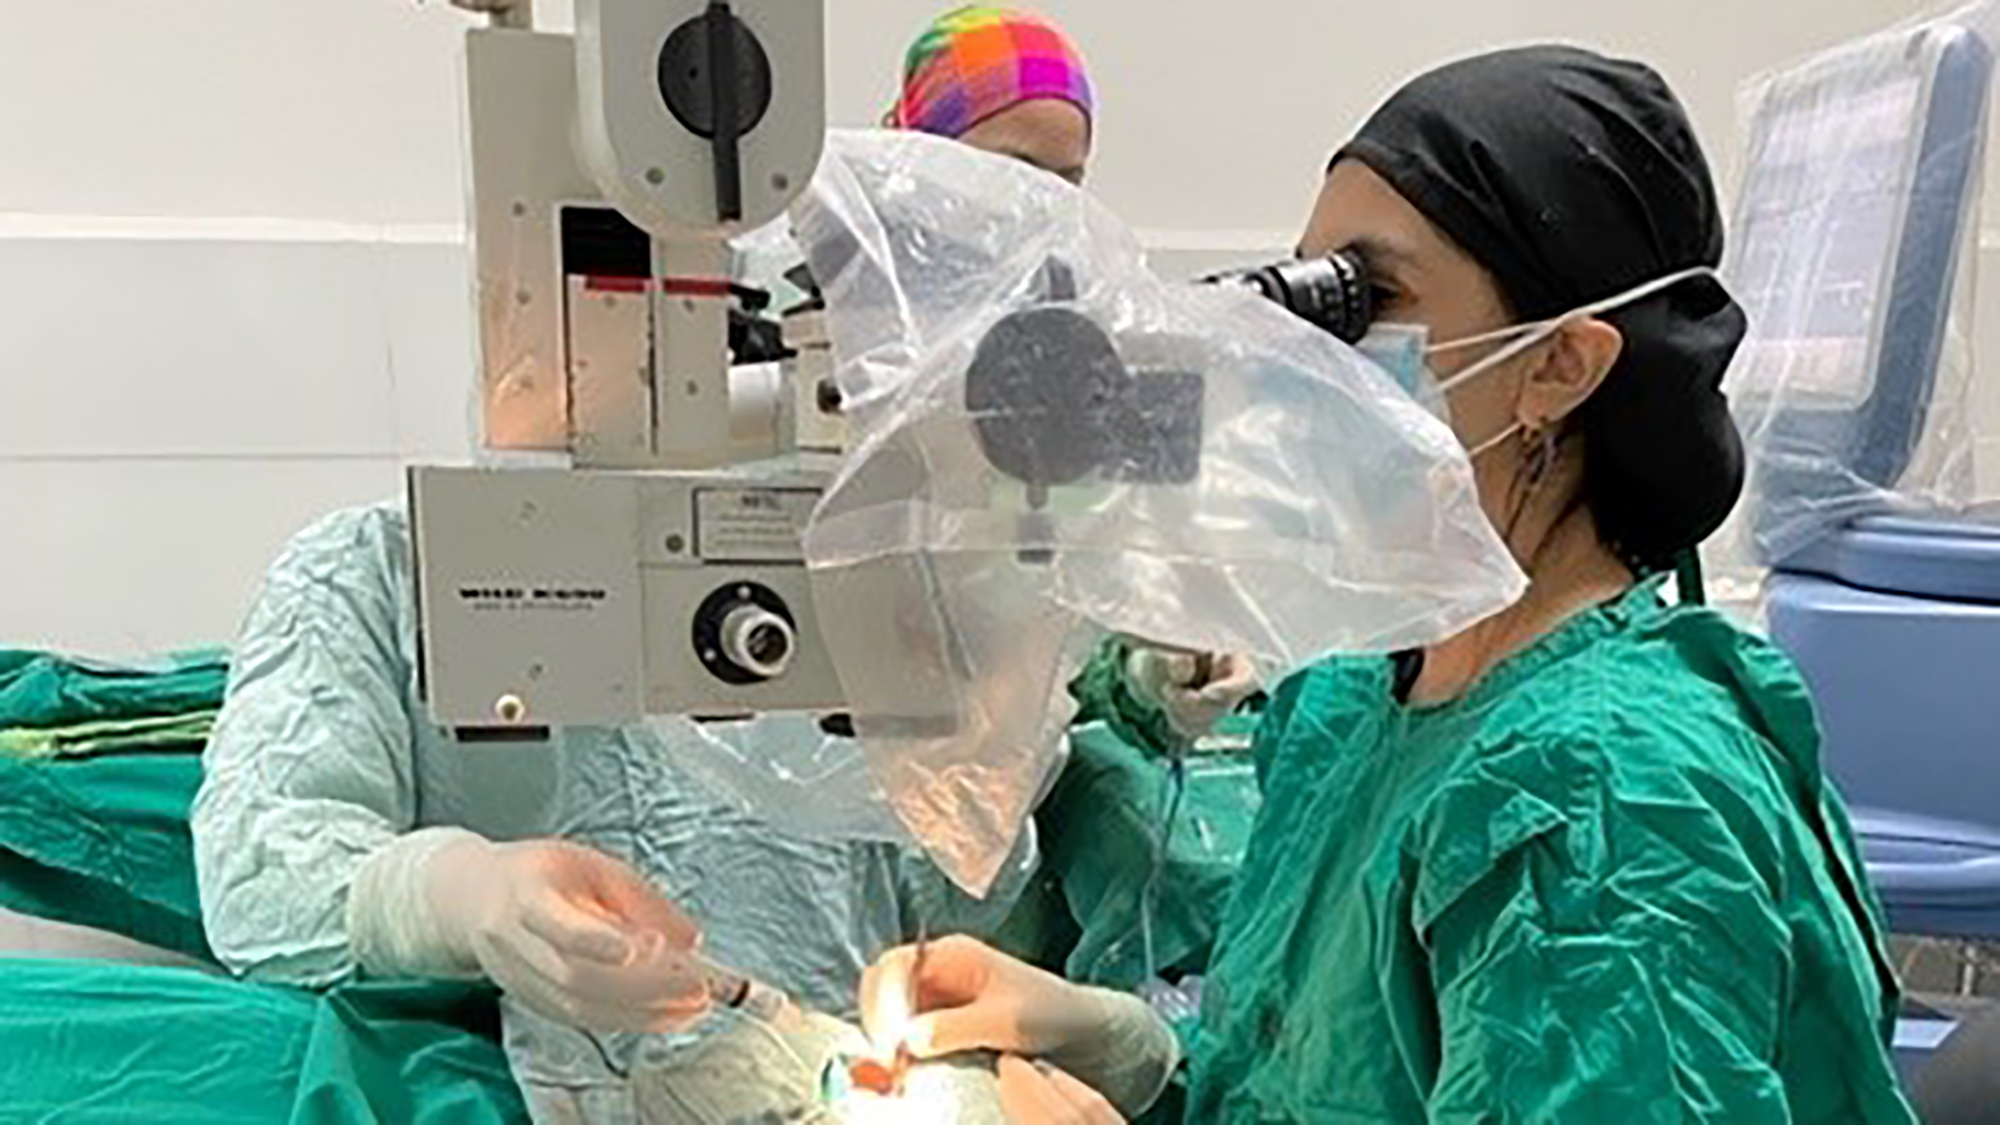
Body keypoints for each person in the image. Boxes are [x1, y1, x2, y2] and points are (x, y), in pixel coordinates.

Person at [861, 46, 1916, 1123]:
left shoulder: (1599, 807)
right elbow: (1301, 1086)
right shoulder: (1362, 702)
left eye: (1370, 297)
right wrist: (1127, 1054)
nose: (1306, 358)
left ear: (1557, 366)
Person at [189, 7, 1106, 1123]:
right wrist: (454, 896)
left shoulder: (891, 566)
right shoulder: (374, 576)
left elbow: (970, 916)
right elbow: (262, 872)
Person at [886, 5, 1095, 184]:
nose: (1046, 204)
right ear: (924, 145)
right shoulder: (860, 224)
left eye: (1067, 183)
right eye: (1017, 175)